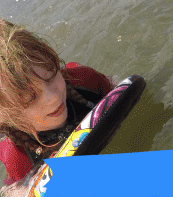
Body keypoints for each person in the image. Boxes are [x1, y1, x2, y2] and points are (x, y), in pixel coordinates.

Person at [0, 21, 112, 188]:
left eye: (51, 75)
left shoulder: (86, 80)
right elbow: (19, 195)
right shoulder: (17, 156)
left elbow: (123, 93)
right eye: (30, 98)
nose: (52, 97)